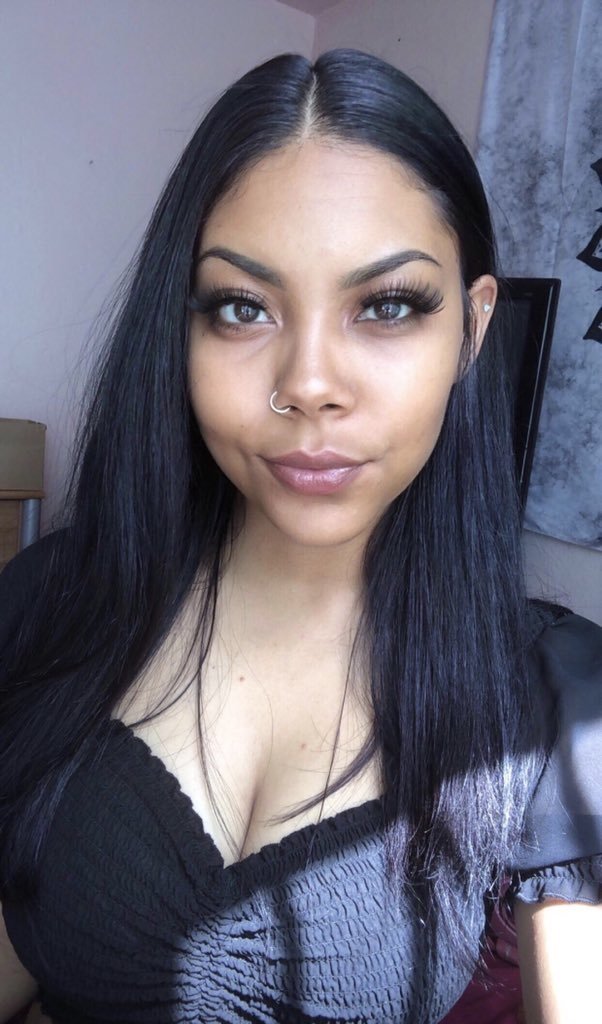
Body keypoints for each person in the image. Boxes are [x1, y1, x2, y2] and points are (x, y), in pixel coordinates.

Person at [0, 48, 600, 1024]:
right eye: (242, 308)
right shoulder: (57, 599)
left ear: (471, 328)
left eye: (387, 306)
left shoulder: (557, 705)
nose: (308, 384)